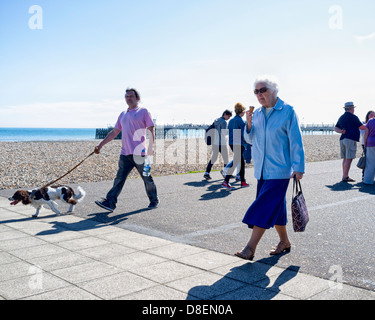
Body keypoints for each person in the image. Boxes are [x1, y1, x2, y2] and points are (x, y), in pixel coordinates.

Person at [235, 76, 305, 261]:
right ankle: (285, 242)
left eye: (263, 90)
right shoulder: (256, 114)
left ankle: (250, 248)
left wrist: (299, 167)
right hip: (262, 171)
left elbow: (296, 140)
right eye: (256, 91)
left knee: (263, 206)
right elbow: (249, 140)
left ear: (274, 91)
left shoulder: (287, 111)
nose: (259, 94)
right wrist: (248, 125)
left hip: (280, 170)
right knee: (276, 208)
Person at [94, 88, 159, 212]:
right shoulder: (122, 115)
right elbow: (114, 132)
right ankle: (110, 203)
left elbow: (151, 129)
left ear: (137, 98)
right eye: (127, 96)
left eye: (131, 96)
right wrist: (100, 145)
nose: (129, 98)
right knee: (119, 179)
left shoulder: (143, 111)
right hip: (125, 153)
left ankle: (154, 200)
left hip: (140, 153)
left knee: (147, 178)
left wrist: (151, 147)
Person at [334, 102, 366, 182]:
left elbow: (335, 128)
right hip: (350, 139)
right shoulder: (353, 117)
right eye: (353, 108)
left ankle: (344, 175)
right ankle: (345, 176)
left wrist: (341, 131)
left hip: (342, 139)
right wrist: (369, 125)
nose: (354, 110)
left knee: (345, 158)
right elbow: (362, 127)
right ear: (351, 108)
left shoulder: (341, 117)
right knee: (349, 158)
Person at [222, 103, 249, 190]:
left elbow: (229, 132)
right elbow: (243, 134)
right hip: (238, 143)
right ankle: (226, 181)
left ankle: (243, 181)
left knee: (240, 162)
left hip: (232, 142)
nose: (244, 113)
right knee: (238, 162)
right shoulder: (240, 121)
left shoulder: (231, 121)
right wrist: (247, 141)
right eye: (244, 111)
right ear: (241, 111)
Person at [203, 110, 233, 180]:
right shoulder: (224, 122)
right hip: (221, 143)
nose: (228, 118)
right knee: (226, 158)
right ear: (225, 114)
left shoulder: (216, 120)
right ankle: (226, 173)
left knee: (214, 158)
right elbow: (224, 133)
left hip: (214, 142)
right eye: (228, 116)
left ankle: (207, 173)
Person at [363, 116, 375, 185]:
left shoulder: (370, 121)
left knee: (370, 162)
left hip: (371, 142)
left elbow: (366, 134)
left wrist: (365, 144)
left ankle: (367, 181)